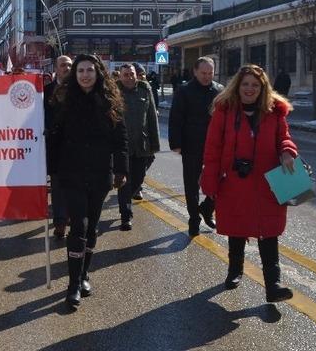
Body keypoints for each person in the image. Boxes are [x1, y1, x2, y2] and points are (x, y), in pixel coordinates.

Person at [200, 64, 297, 303]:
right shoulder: (224, 110)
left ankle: (273, 285)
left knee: (269, 232)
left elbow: (284, 138)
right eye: (245, 84)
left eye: (255, 85)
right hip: (234, 181)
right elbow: (212, 148)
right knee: (236, 228)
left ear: (263, 88)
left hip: (268, 182)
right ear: (237, 86)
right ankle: (235, 271)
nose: (250, 89)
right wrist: (210, 183)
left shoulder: (274, 112)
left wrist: (287, 152)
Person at [47, 54, 127, 310]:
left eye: (89, 70)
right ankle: (72, 285)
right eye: (80, 70)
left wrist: (121, 170)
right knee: (78, 227)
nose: (84, 75)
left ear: (98, 72)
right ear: (75, 74)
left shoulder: (110, 101)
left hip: (100, 173)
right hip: (71, 173)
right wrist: (49, 168)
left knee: (92, 227)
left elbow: (121, 138)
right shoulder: (62, 99)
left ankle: (84, 276)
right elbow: (52, 136)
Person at [169, 57, 224, 237]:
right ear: (195, 71)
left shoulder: (219, 90)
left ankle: (207, 208)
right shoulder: (184, 91)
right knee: (191, 184)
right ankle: (194, 219)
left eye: (210, 73)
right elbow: (176, 118)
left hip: (216, 145)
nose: (207, 76)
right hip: (191, 144)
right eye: (203, 73)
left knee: (220, 180)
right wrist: (176, 143)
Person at [117, 64, 160, 231]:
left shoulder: (144, 89)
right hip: (122, 146)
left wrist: (155, 144)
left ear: (137, 75)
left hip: (142, 145)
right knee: (124, 183)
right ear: (120, 76)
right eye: (125, 74)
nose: (129, 77)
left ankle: (128, 199)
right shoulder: (114, 92)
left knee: (139, 178)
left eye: (131, 74)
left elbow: (151, 117)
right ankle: (125, 216)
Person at [44, 55, 73, 239]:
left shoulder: (81, 89)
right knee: (58, 185)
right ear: (56, 68)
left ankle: (72, 216)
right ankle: (60, 222)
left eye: (70, 65)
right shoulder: (46, 91)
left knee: (75, 185)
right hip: (55, 145)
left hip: (77, 147)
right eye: (63, 65)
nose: (67, 68)